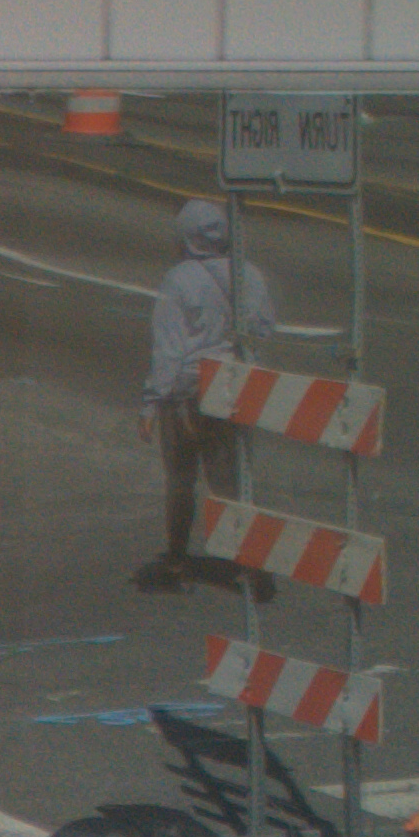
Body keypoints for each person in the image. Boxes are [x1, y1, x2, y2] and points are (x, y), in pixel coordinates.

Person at [138, 197, 255, 591]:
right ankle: (241, 560)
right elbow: (264, 326)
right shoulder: (246, 275)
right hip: (232, 387)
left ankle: (176, 555)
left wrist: (152, 402)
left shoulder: (179, 279)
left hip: (187, 393)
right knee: (228, 482)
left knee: (181, 478)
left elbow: (168, 348)